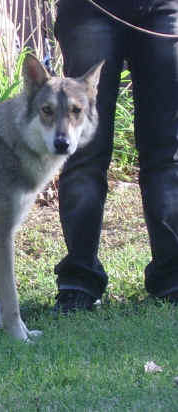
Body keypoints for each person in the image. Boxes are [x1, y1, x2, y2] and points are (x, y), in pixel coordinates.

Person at [52, 0, 178, 312]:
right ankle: (79, 281)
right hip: (88, 8)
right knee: (84, 152)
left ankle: (173, 278)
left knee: (168, 150)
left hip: (163, 8)